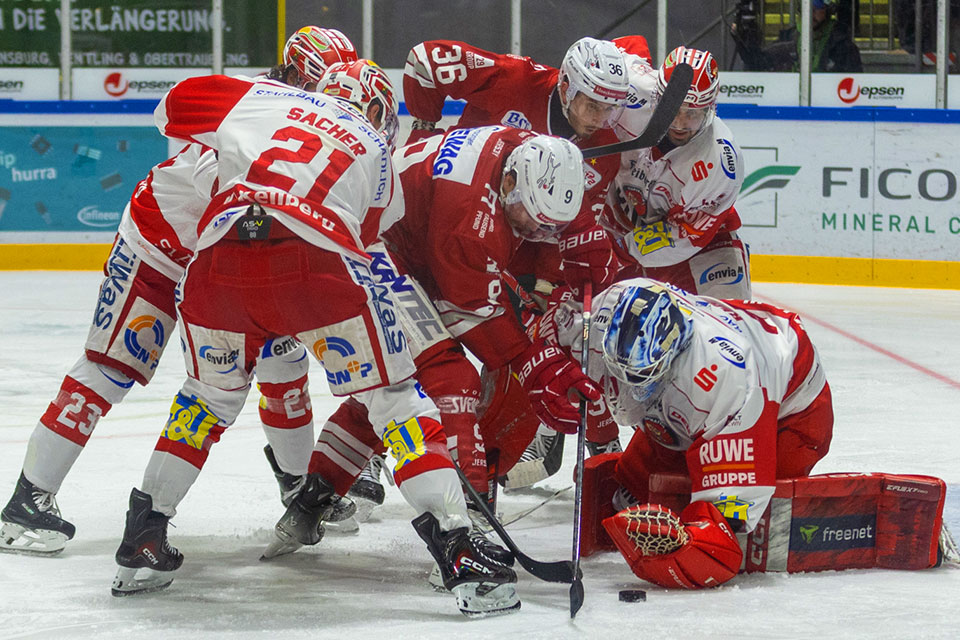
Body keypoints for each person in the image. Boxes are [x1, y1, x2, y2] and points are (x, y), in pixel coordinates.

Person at [109, 60, 521, 618]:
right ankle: (457, 549)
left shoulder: (260, 99)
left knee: (202, 404)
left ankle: (141, 542)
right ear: (378, 111)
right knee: (395, 406)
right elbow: (368, 241)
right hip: (315, 267)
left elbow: (174, 107)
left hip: (216, 264)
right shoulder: (376, 148)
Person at [0, 25, 359, 558]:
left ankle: (296, 485)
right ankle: (26, 502)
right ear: (295, 74)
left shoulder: (306, 117)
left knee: (285, 369)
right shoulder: (248, 106)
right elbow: (229, 198)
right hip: (160, 250)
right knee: (109, 370)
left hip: (226, 264)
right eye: (318, 84)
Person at [291, 126, 602, 533]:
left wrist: (574, 261)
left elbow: (551, 227)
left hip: (409, 247)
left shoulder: (528, 156)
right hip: (368, 250)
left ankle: (309, 502)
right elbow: (470, 311)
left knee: (393, 394)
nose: (536, 232)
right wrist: (535, 364)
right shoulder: (469, 219)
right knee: (452, 379)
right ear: (509, 182)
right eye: (531, 218)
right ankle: (464, 524)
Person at [536, 276, 833, 589]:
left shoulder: (727, 383)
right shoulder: (607, 309)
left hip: (790, 406)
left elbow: (724, 539)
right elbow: (548, 329)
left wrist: (705, 530)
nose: (626, 392)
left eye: (641, 378)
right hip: (728, 349)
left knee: (734, 532)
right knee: (633, 484)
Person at [602, 46, 751, 300]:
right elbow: (600, 57)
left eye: (692, 114)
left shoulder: (720, 161)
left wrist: (619, 253)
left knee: (726, 328)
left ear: (710, 107)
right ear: (658, 97)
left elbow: (684, 234)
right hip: (618, 229)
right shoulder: (631, 90)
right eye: (674, 110)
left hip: (704, 248)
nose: (680, 124)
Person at [732, 0, 863, 73]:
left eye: (817, 5)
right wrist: (743, 36)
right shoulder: (788, 38)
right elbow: (758, 63)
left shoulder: (842, 45)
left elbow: (854, 83)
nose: (811, 12)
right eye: (807, 5)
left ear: (828, 9)